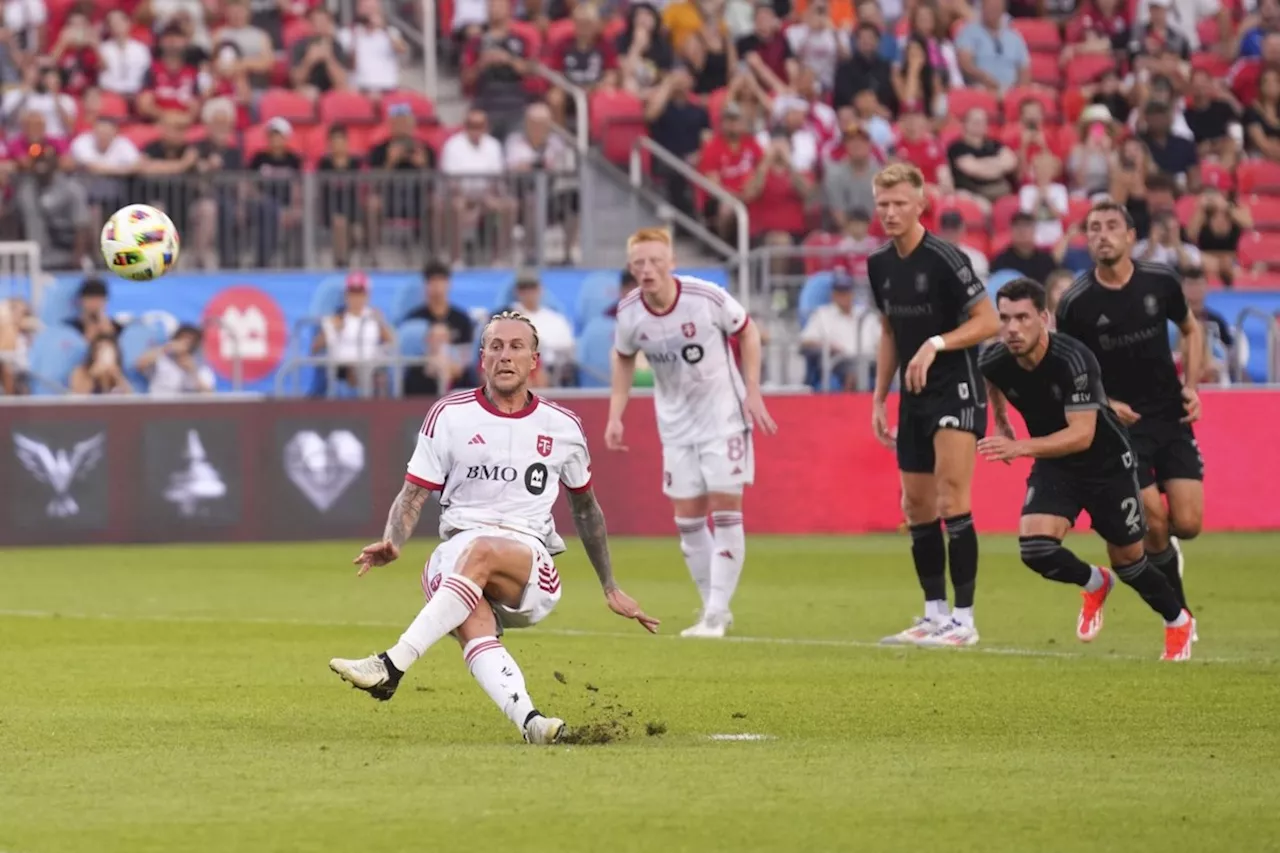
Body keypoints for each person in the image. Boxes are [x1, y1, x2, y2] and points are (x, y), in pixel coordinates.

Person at [328, 311, 658, 745]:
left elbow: (586, 510)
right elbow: (412, 495)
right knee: (473, 621)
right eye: (496, 347)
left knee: (481, 549)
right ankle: (532, 723)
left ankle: (391, 666)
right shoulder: (449, 414)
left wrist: (610, 585)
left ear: (534, 360)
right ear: (481, 357)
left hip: (528, 564)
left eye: (516, 347)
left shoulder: (563, 427)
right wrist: (394, 540)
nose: (505, 356)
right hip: (458, 553)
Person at [978, 278, 1196, 660]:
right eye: (1005, 318)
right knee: (1035, 549)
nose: (1012, 328)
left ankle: (1178, 620)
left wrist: (1018, 445)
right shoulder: (995, 358)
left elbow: (1081, 435)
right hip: (1055, 465)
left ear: (1043, 318)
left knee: (1130, 562)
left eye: (1023, 318)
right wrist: (1000, 421)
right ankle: (1095, 583)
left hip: (1106, 465)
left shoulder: (1074, 360)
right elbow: (991, 379)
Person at [606, 227, 776, 638]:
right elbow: (623, 356)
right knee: (687, 524)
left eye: (654, 261)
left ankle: (716, 614)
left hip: (724, 418)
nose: (646, 270)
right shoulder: (629, 312)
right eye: (638, 264)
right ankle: (712, 608)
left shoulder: (705, 297)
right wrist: (616, 414)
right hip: (676, 425)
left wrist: (753, 389)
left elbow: (748, 331)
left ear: (671, 263)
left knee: (726, 510)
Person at [1055, 201, 1205, 635]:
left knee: (1189, 524)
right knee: (1152, 520)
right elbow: (1065, 369)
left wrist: (1191, 386)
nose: (1102, 234)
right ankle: (1178, 613)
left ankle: (1167, 554)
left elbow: (1191, 329)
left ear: (1129, 235)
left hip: (1170, 415)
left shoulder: (1160, 281)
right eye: (1094, 228)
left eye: (1111, 226)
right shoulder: (1076, 303)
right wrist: (1101, 403)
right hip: (1120, 427)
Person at [867, 163, 999, 647]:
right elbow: (888, 330)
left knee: (950, 499)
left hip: (955, 388)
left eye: (900, 203)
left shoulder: (946, 258)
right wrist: (880, 396)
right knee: (916, 504)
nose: (891, 212)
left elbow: (989, 322)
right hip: (913, 396)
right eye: (883, 204)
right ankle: (933, 614)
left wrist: (937, 343)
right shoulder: (878, 264)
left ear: (922, 204)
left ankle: (965, 621)